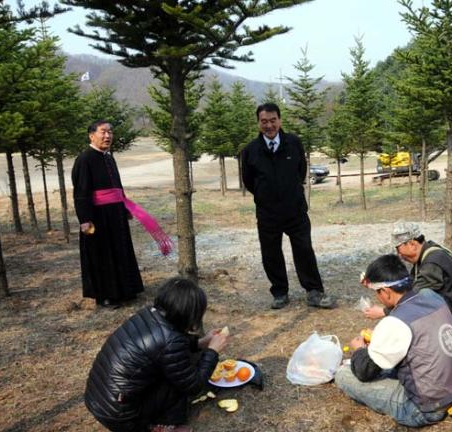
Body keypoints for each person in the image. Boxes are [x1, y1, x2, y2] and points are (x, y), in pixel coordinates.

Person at [335, 255, 452, 428]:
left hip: (425, 407)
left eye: (377, 292)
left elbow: (364, 372)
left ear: (386, 292)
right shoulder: (432, 297)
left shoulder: (396, 322)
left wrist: (359, 350)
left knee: (343, 375)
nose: (378, 297)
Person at [85, 277, 229, 432]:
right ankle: (165, 426)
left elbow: (167, 345)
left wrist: (200, 343)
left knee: (180, 367)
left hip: (99, 400)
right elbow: (194, 386)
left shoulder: (150, 314)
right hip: (122, 416)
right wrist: (212, 351)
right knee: (179, 380)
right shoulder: (170, 341)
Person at [240, 103, 333, 310]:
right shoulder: (250, 151)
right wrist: (265, 196)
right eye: (264, 121)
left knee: (304, 250)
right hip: (267, 213)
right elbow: (248, 180)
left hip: (295, 210)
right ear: (258, 123)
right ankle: (280, 292)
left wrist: (290, 191)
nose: (269, 125)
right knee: (271, 253)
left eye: (273, 120)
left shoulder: (294, 143)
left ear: (280, 120)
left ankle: (314, 291)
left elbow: (301, 171)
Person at [72, 120, 172, 309]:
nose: (108, 136)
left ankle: (126, 290)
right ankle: (106, 296)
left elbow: (117, 187)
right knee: (103, 254)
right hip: (98, 216)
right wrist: (84, 219)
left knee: (120, 250)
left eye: (110, 132)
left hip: (116, 213)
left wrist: (125, 207)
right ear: (91, 135)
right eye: (103, 132)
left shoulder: (109, 158)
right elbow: (81, 192)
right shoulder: (84, 159)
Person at [364, 221, 452, 346]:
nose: (399, 255)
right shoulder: (427, 253)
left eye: (398, 249)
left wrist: (384, 311)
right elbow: (408, 284)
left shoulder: (432, 262)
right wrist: (377, 282)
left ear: (412, 244)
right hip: (451, 315)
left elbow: (411, 298)